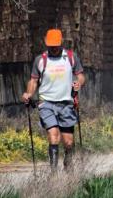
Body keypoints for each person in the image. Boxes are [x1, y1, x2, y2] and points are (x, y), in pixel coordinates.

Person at [22, 28, 85, 171]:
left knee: (68, 142)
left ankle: (68, 165)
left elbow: (81, 76)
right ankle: (53, 174)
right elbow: (33, 81)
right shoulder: (41, 60)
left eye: (56, 45)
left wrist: (78, 83)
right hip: (46, 103)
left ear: (61, 42)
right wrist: (28, 93)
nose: (54, 48)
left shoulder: (70, 57)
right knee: (53, 136)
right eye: (51, 45)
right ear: (46, 44)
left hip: (66, 104)